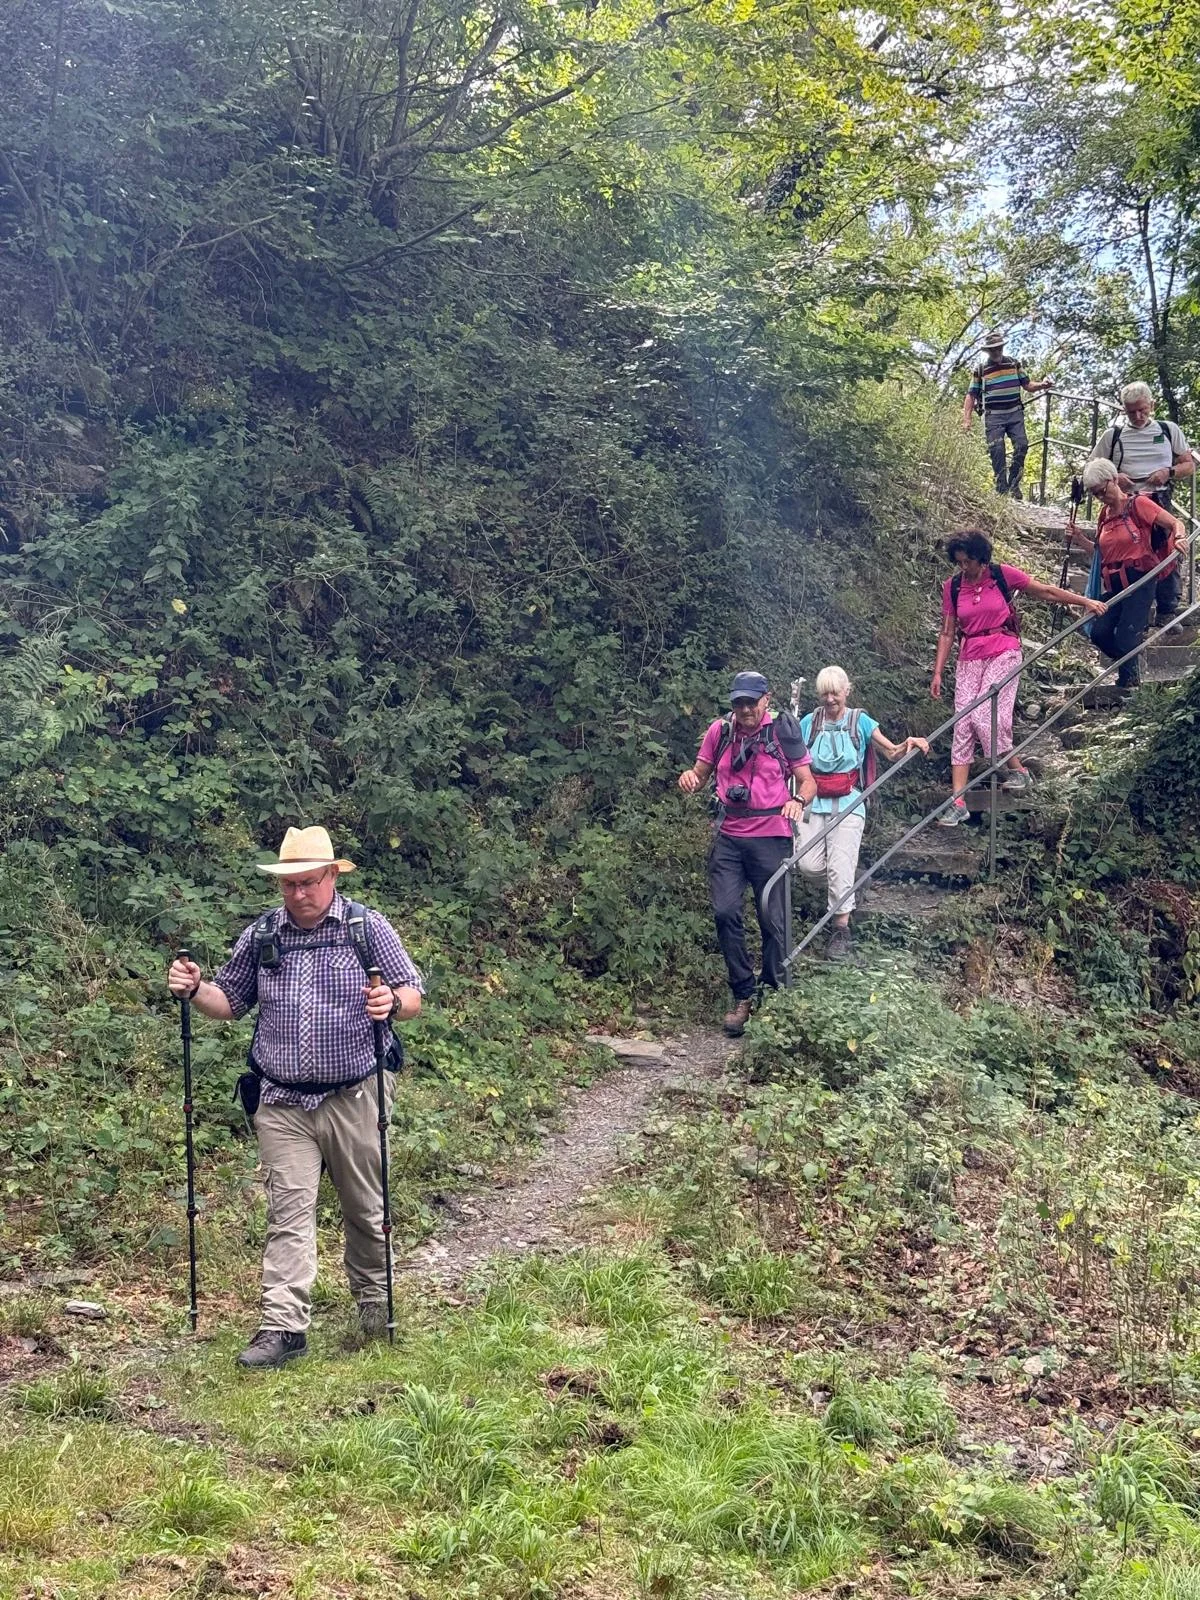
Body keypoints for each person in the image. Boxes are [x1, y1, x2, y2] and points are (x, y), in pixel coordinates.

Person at [166, 826, 424, 1369]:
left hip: (356, 1092)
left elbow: (412, 994)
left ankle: (376, 1304)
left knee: (364, 1207)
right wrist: (194, 988)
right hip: (281, 1099)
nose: (298, 894)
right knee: (289, 1212)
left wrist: (389, 1003)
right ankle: (283, 1327)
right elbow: (229, 1001)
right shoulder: (263, 935)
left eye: (308, 882)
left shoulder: (365, 927)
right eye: (289, 885)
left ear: (332, 876)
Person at [931, 533, 1105, 826]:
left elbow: (1046, 591)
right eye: (959, 562)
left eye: (968, 561)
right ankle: (958, 801)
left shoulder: (1001, 575)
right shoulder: (953, 587)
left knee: (984, 715)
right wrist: (937, 672)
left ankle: (1018, 771)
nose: (964, 568)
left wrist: (1085, 601)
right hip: (969, 655)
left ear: (981, 558)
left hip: (1003, 650)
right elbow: (948, 632)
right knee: (962, 722)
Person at [678, 671, 817, 1036]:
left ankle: (773, 994)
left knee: (773, 918)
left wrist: (798, 800)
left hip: (771, 835)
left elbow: (808, 780)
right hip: (729, 835)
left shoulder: (782, 732)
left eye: (750, 703)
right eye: (738, 703)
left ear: (766, 700)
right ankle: (743, 995)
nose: (744, 710)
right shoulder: (720, 731)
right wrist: (691, 779)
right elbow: (700, 773)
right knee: (725, 912)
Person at [795, 667, 930, 962]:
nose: (830, 698)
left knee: (838, 867)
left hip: (849, 803)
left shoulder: (861, 721)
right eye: (824, 693)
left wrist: (910, 743)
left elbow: (891, 752)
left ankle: (840, 931)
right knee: (807, 865)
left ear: (847, 691)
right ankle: (853, 881)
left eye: (835, 692)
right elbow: (794, 761)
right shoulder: (809, 722)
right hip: (813, 803)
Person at [1079, 458, 1189, 689]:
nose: (1100, 497)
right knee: (1099, 631)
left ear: (1113, 480)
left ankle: (1129, 683)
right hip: (1116, 584)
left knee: (1127, 635)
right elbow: (1101, 554)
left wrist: (1179, 538)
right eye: (1095, 494)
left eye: (1102, 490)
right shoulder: (1104, 515)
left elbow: (1175, 523)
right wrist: (1079, 539)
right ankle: (1131, 667)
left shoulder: (1138, 504)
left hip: (1141, 580)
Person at [1090, 381, 1194, 622]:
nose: (1137, 416)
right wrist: (1114, 476)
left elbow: (1188, 464)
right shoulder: (1113, 436)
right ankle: (1133, 612)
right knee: (1130, 555)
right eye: (1131, 411)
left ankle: (1167, 609)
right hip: (1123, 502)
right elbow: (1092, 467)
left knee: (1166, 550)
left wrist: (1169, 472)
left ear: (1152, 405)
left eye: (1142, 410)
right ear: (1123, 410)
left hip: (1159, 497)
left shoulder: (1168, 430)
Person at [961, 329, 1053, 500]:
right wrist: (966, 419)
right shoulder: (981, 370)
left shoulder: (1013, 364)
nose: (996, 352)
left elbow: (1027, 385)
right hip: (993, 416)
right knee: (997, 449)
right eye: (993, 349)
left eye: (999, 348)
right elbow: (971, 394)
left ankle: (1014, 484)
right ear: (988, 351)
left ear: (1002, 348)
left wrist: (1043, 385)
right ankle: (1001, 489)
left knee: (1022, 445)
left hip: (1014, 414)